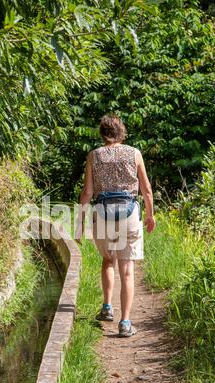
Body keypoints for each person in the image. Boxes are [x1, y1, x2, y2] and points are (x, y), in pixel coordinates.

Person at [75, 114, 156, 337]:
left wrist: (80, 223)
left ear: (102, 134)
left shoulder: (94, 156)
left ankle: (107, 307)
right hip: (129, 213)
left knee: (108, 260)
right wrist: (150, 215)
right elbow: (146, 189)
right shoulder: (134, 153)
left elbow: (87, 193)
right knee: (127, 270)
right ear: (122, 132)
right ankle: (125, 323)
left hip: (102, 214)